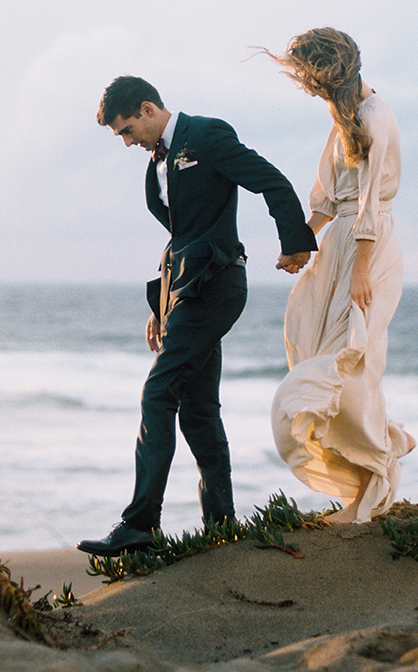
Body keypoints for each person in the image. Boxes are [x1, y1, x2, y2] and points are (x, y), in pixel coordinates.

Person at [79, 75, 319, 556]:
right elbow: (179, 236)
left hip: (217, 284)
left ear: (148, 109)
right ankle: (222, 525)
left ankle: (140, 525)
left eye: (127, 130)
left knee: (158, 391)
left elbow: (270, 180)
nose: (128, 142)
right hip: (185, 290)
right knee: (198, 409)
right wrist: (159, 306)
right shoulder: (157, 164)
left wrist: (294, 243)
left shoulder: (206, 135)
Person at [267, 27, 413, 523]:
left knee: (350, 363)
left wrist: (361, 270)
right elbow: (328, 198)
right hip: (337, 247)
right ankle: (364, 478)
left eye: (309, 78)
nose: (307, 89)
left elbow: (369, 202)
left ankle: (378, 467)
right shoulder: (342, 118)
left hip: (368, 250)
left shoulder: (376, 116)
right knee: (313, 346)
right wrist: (301, 248)